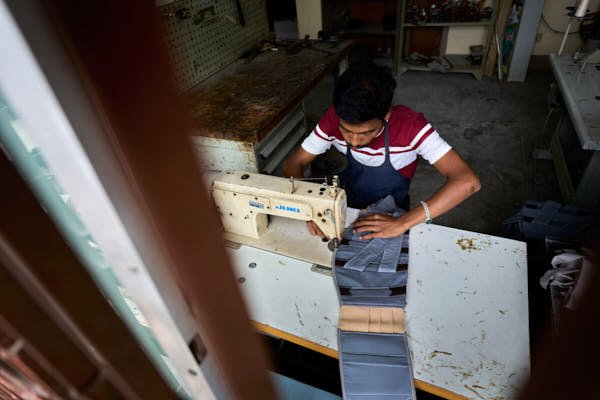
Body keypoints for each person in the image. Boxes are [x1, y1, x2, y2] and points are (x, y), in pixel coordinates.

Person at [283, 63, 480, 239]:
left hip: (393, 216)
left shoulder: (410, 127)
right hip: (348, 209)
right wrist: (310, 208)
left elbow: (467, 181)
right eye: (346, 130)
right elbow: (294, 163)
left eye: (366, 133)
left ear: (387, 114)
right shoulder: (333, 119)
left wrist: (403, 223)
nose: (354, 141)